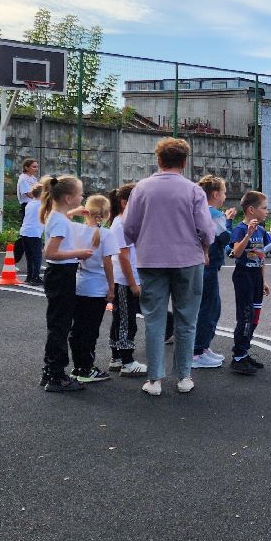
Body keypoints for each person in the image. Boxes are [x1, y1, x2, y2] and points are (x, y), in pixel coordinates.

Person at [120, 137, 216, 398]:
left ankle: (154, 379)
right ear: (184, 162)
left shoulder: (141, 188)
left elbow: (128, 227)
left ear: (158, 159)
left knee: (154, 319)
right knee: (187, 318)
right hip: (188, 259)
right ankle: (184, 376)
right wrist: (205, 248)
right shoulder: (193, 190)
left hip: (151, 259)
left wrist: (143, 240)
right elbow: (206, 229)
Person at [39, 174, 93, 393]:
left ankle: (50, 370)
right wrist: (78, 253)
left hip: (59, 275)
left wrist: (73, 212)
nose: (83, 197)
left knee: (58, 324)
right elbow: (50, 252)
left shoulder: (57, 215)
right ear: (68, 198)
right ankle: (57, 375)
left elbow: (62, 220)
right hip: (61, 275)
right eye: (80, 194)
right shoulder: (60, 221)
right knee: (60, 326)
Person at [67, 193, 116, 384]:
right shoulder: (107, 234)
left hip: (79, 284)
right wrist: (111, 288)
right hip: (97, 287)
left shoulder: (76, 229)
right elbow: (108, 263)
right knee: (90, 330)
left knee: (77, 328)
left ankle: (78, 366)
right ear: (106, 214)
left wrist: (74, 211)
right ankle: (87, 368)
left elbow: (60, 218)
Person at [191, 175, 236, 370]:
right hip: (208, 266)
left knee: (208, 306)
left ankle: (203, 347)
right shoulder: (214, 214)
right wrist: (229, 221)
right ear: (216, 194)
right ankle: (197, 351)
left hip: (200, 265)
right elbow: (225, 238)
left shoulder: (197, 211)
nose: (225, 196)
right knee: (209, 308)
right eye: (224, 192)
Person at [227, 190, 271, 375]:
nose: (267, 211)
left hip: (256, 278)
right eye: (264, 208)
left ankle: (244, 352)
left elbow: (261, 257)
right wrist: (248, 235)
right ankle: (238, 357)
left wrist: (263, 280)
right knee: (245, 317)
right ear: (252, 210)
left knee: (254, 318)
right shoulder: (240, 229)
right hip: (243, 276)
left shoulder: (262, 231)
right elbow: (237, 253)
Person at [106, 182, 146, 376]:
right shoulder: (121, 223)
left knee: (120, 318)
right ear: (124, 203)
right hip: (124, 280)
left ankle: (117, 357)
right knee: (126, 320)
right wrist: (133, 283)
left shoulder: (122, 221)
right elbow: (123, 256)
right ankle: (127, 361)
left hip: (124, 279)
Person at [19, 180, 46, 286]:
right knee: (37, 256)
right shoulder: (41, 205)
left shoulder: (30, 204)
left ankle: (29, 276)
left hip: (25, 231)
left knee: (29, 256)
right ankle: (35, 277)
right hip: (34, 233)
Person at [14, 157, 39, 263]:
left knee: (35, 233)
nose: (36, 169)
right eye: (34, 167)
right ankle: (14, 259)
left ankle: (35, 261)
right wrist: (41, 196)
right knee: (25, 234)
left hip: (35, 206)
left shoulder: (33, 179)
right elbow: (29, 194)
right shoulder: (23, 178)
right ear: (26, 167)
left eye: (36, 167)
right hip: (27, 206)